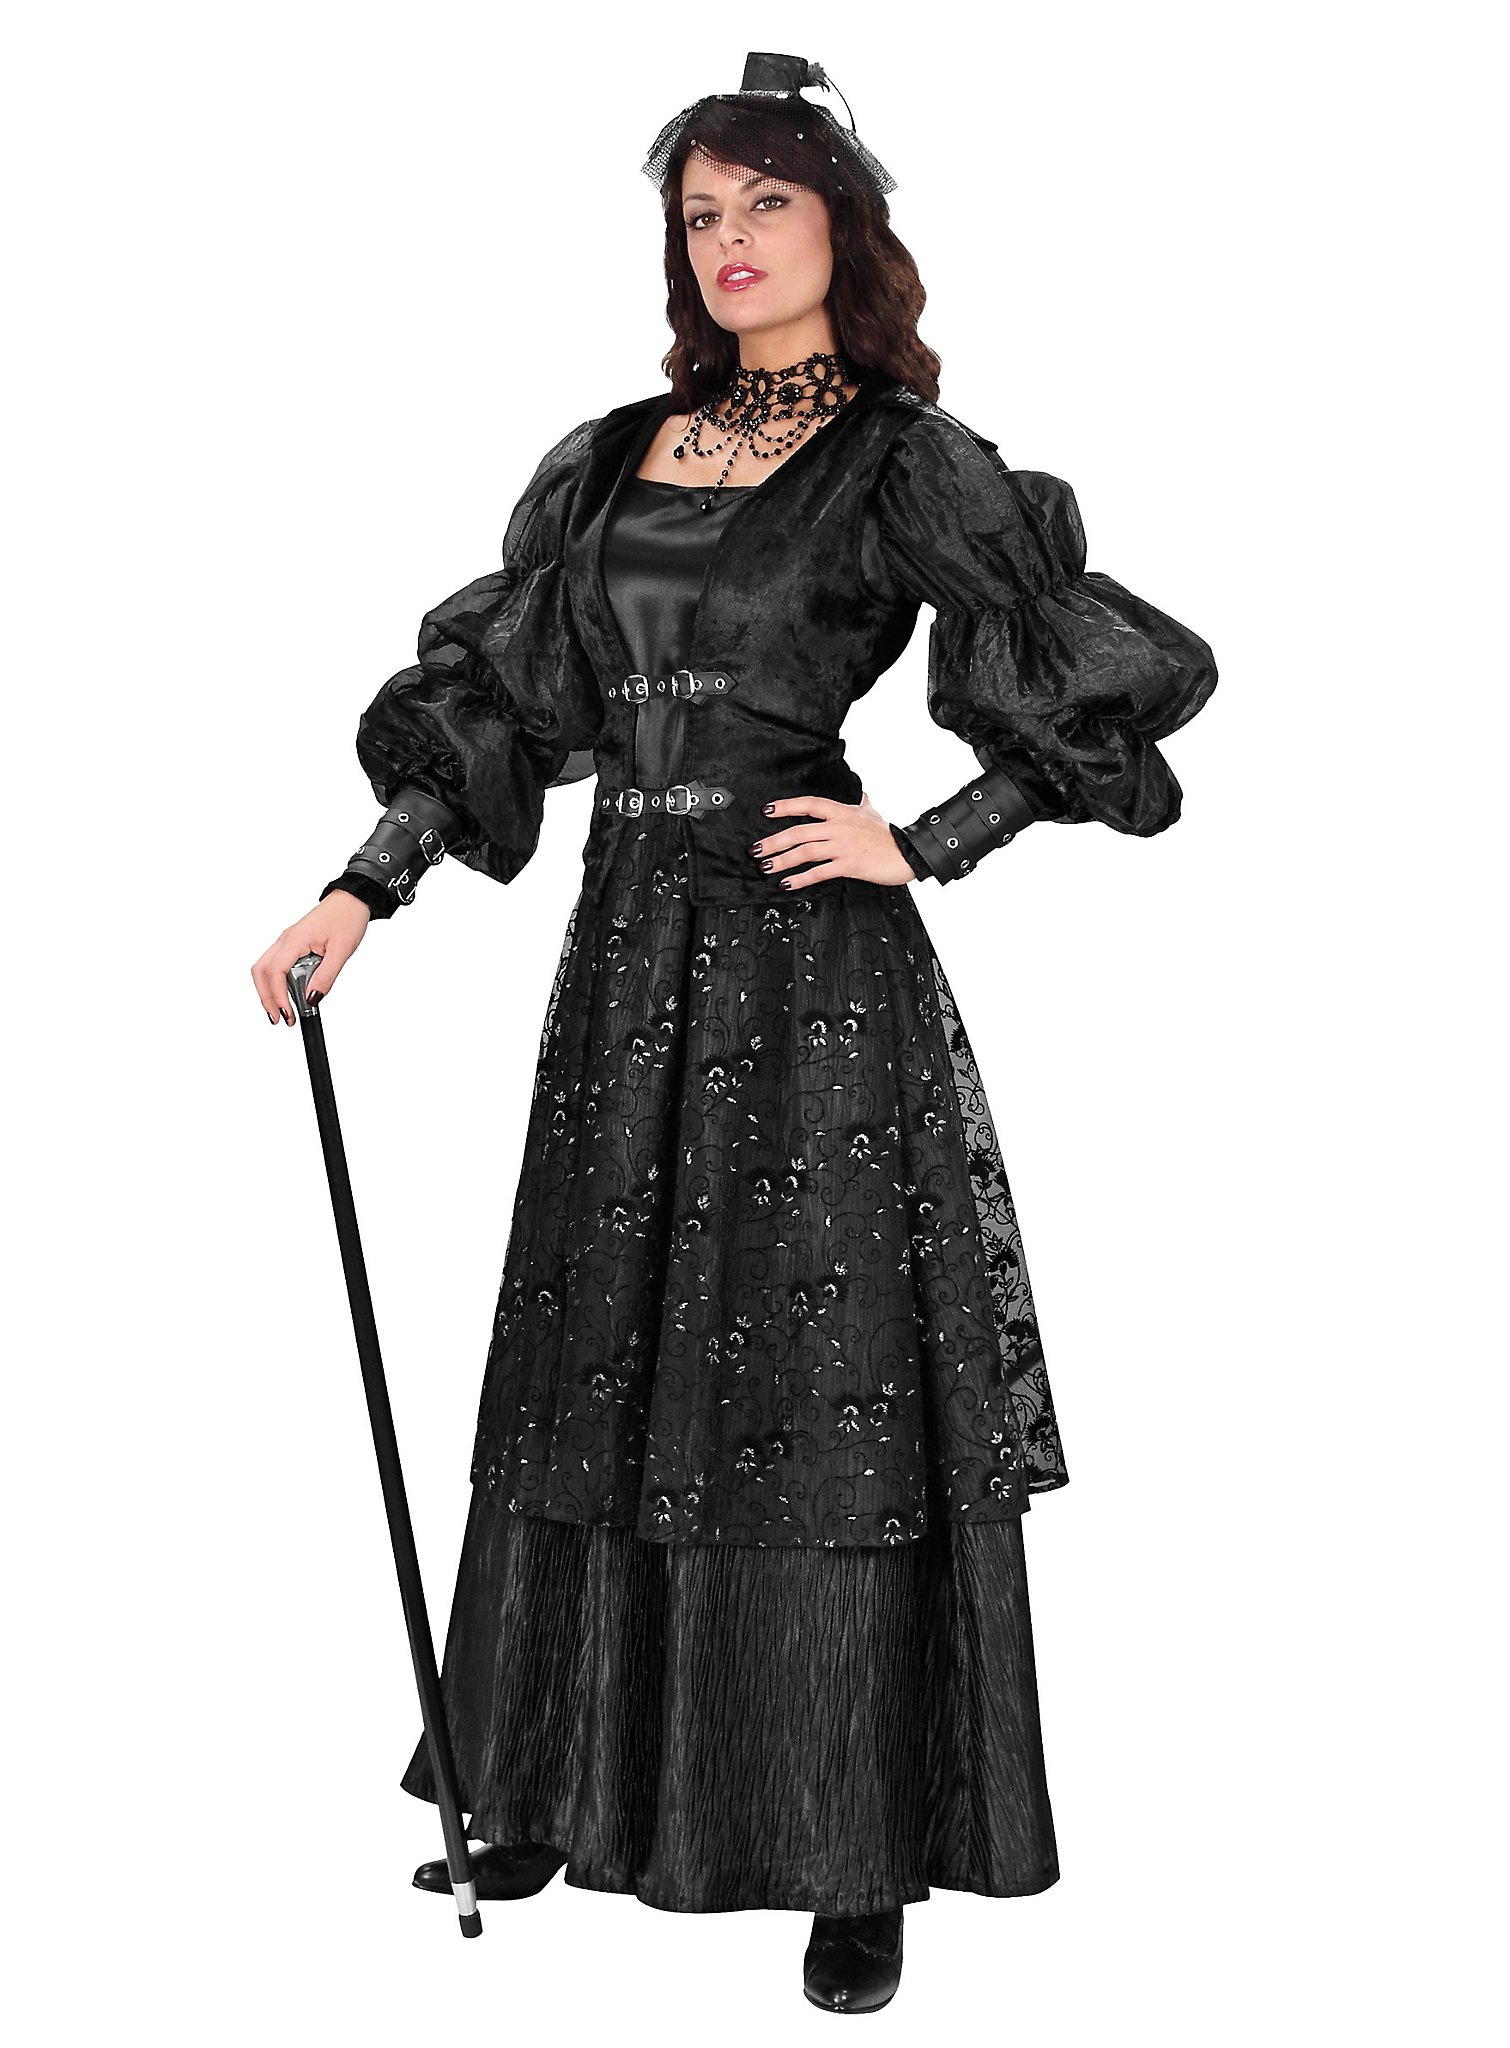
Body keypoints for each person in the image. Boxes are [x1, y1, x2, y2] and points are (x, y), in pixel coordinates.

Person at [251, 52, 1217, 2014]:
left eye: (764, 202)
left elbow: (1090, 675)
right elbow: (505, 697)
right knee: (595, 1356)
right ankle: (547, 1782)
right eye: (698, 213)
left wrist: (927, 835)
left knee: (811, 1378)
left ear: (839, 226)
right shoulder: (612, 457)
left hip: (808, 972)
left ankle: (851, 1851)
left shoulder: (902, 461)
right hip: (625, 951)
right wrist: (361, 887)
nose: (728, 239)